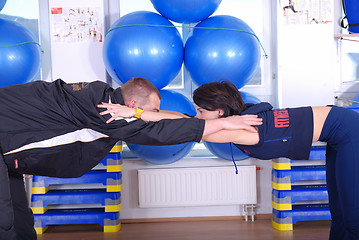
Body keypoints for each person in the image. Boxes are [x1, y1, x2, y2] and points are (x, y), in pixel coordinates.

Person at [0, 77, 262, 240]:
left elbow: (158, 120)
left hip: (9, 155)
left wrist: (203, 122)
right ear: (134, 102)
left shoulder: (102, 97)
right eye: (153, 109)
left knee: (20, 220)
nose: (154, 114)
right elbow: (159, 132)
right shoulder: (107, 112)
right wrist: (227, 123)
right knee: (5, 222)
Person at [101, 80, 359, 240]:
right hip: (336, 132)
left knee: (353, 215)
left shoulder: (241, 132)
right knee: (338, 212)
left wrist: (136, 114)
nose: (198, 115)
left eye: (202, 111)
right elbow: (182, 117)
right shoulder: (235, 120)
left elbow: (183, 124)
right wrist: (135, 112)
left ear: (220, 113)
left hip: (349, 131)